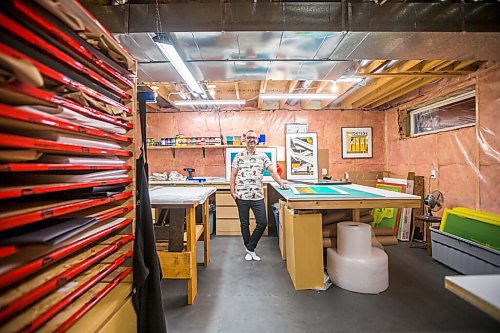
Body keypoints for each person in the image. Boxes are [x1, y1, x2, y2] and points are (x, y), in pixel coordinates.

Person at [230, 130, 289, 261]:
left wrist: (281, 182)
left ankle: (250, 248)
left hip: (257, 196)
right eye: (249, 137)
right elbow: (233, 175)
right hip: (242, 196)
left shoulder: (262, 156)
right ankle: (249, 249)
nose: (251, 140)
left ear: (257, 140)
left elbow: (272, 171)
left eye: (254, 138)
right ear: (245, 139)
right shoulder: (238, 156)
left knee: (262, 223)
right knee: (244, 224)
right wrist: (232, 192)